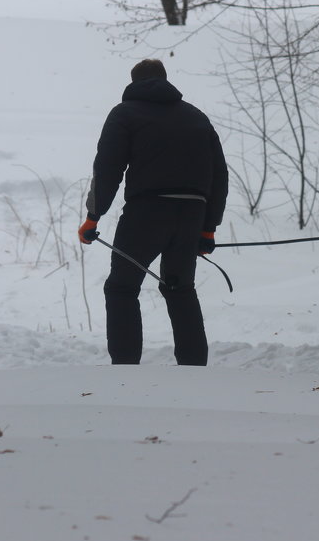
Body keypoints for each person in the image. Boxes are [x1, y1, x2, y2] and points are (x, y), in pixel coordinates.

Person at [78, 59, 228, 366]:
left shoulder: (125, 113)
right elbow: (219, 176)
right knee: (180, 288)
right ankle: (194, 369)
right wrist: (208, 228)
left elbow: (107, 168)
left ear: (133, 82)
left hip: (146, 213)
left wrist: (94, 217)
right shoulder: (197, 117)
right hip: (191, 214)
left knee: (121, 288)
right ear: (165, 79)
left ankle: (125, 369)